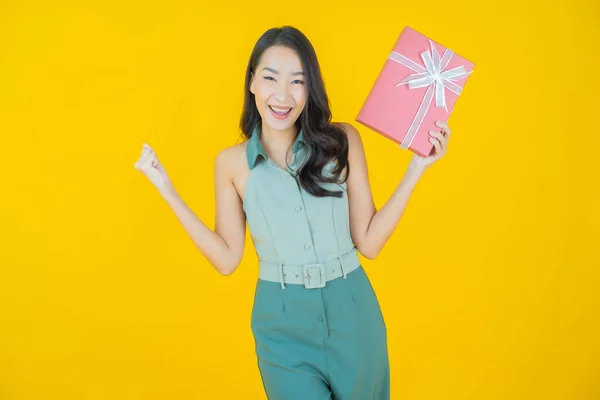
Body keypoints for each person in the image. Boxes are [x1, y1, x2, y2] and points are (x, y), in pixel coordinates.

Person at [134, 25, 451, 400]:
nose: (282, 95)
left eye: (297, 81)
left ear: (309, 88)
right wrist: (166, 189)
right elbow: (226, 259)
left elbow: (370, 241)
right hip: (281, 324)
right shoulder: (231, 164)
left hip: (353, 312)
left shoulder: (342, 142)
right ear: (252, 82)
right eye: (270, 78)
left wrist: (417, 169)